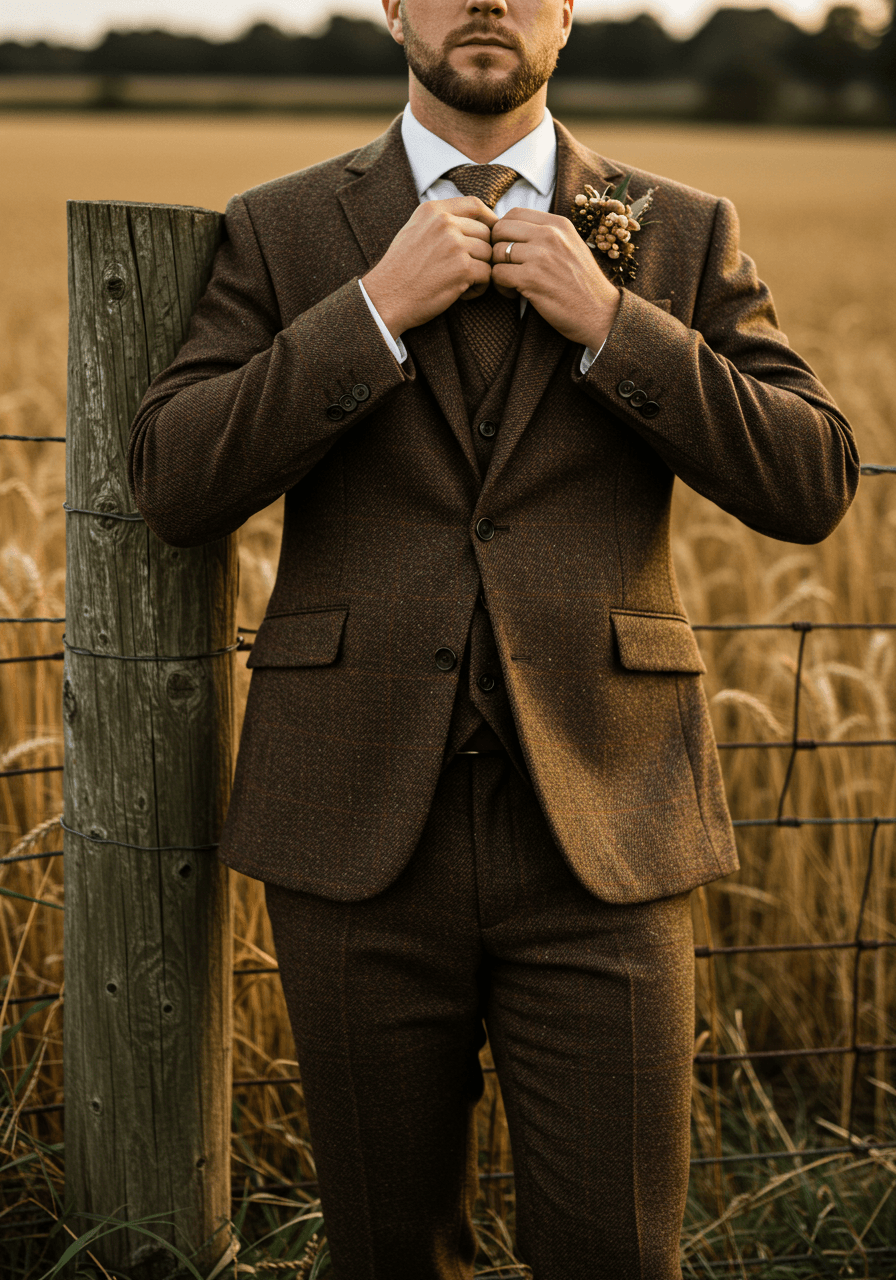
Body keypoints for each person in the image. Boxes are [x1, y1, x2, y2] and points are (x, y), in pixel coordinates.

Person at [128, 1, 859, 1276]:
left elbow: (810, 481)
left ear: (565, 12)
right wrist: (368, 310)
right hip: (354, 821)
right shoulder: (281, 226)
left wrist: (612, 325)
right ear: (393, 7)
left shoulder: (678, 230)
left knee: (616, 1250)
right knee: (384, 1250)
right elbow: (174, 480)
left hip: (604, 821)